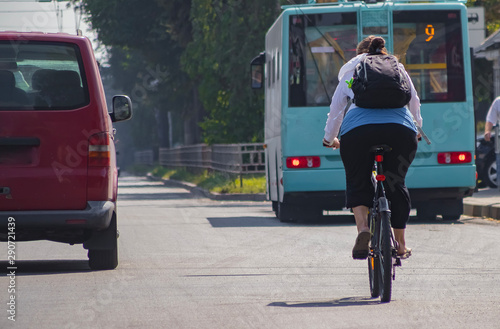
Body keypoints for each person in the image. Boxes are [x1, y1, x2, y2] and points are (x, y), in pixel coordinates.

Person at [322, 36, 423, 260]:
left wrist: (330, 138)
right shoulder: (398, 69)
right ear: (383, 51)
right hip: (400, 131)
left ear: (358, 52)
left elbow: (337, 108)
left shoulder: (351, 72)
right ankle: (401, 245)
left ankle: (363, 230)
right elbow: (413, 100)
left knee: (358, 180)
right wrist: (417, 128)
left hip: (358, 133)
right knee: (396, 182)